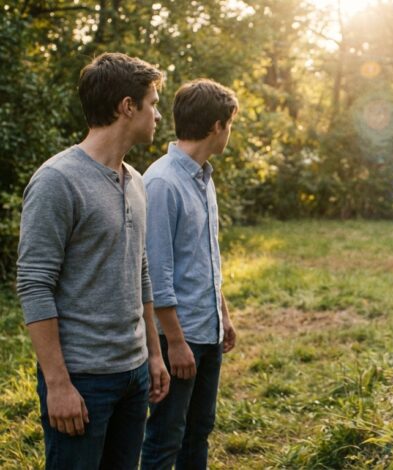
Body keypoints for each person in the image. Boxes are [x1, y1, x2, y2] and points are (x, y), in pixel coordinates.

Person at [16, 52, 170, 469]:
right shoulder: (57, 181)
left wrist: (153, 355)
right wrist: (58, 384)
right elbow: (34, 283)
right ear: (127, 106)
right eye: (152, 103)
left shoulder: (136, 181)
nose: (157, 114)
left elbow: (141, 274)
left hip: (134, 374)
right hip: (82, 380)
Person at [140, 79, 238, 469]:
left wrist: (224, 316)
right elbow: (156, 273)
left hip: (207, 330)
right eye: (229, 124)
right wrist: (176, 343)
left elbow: (204, 256)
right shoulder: (163, 182)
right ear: (216, 126)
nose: (230, 132)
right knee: (166, 436)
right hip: (177, 338)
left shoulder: (203, 177)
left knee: (200, 428)